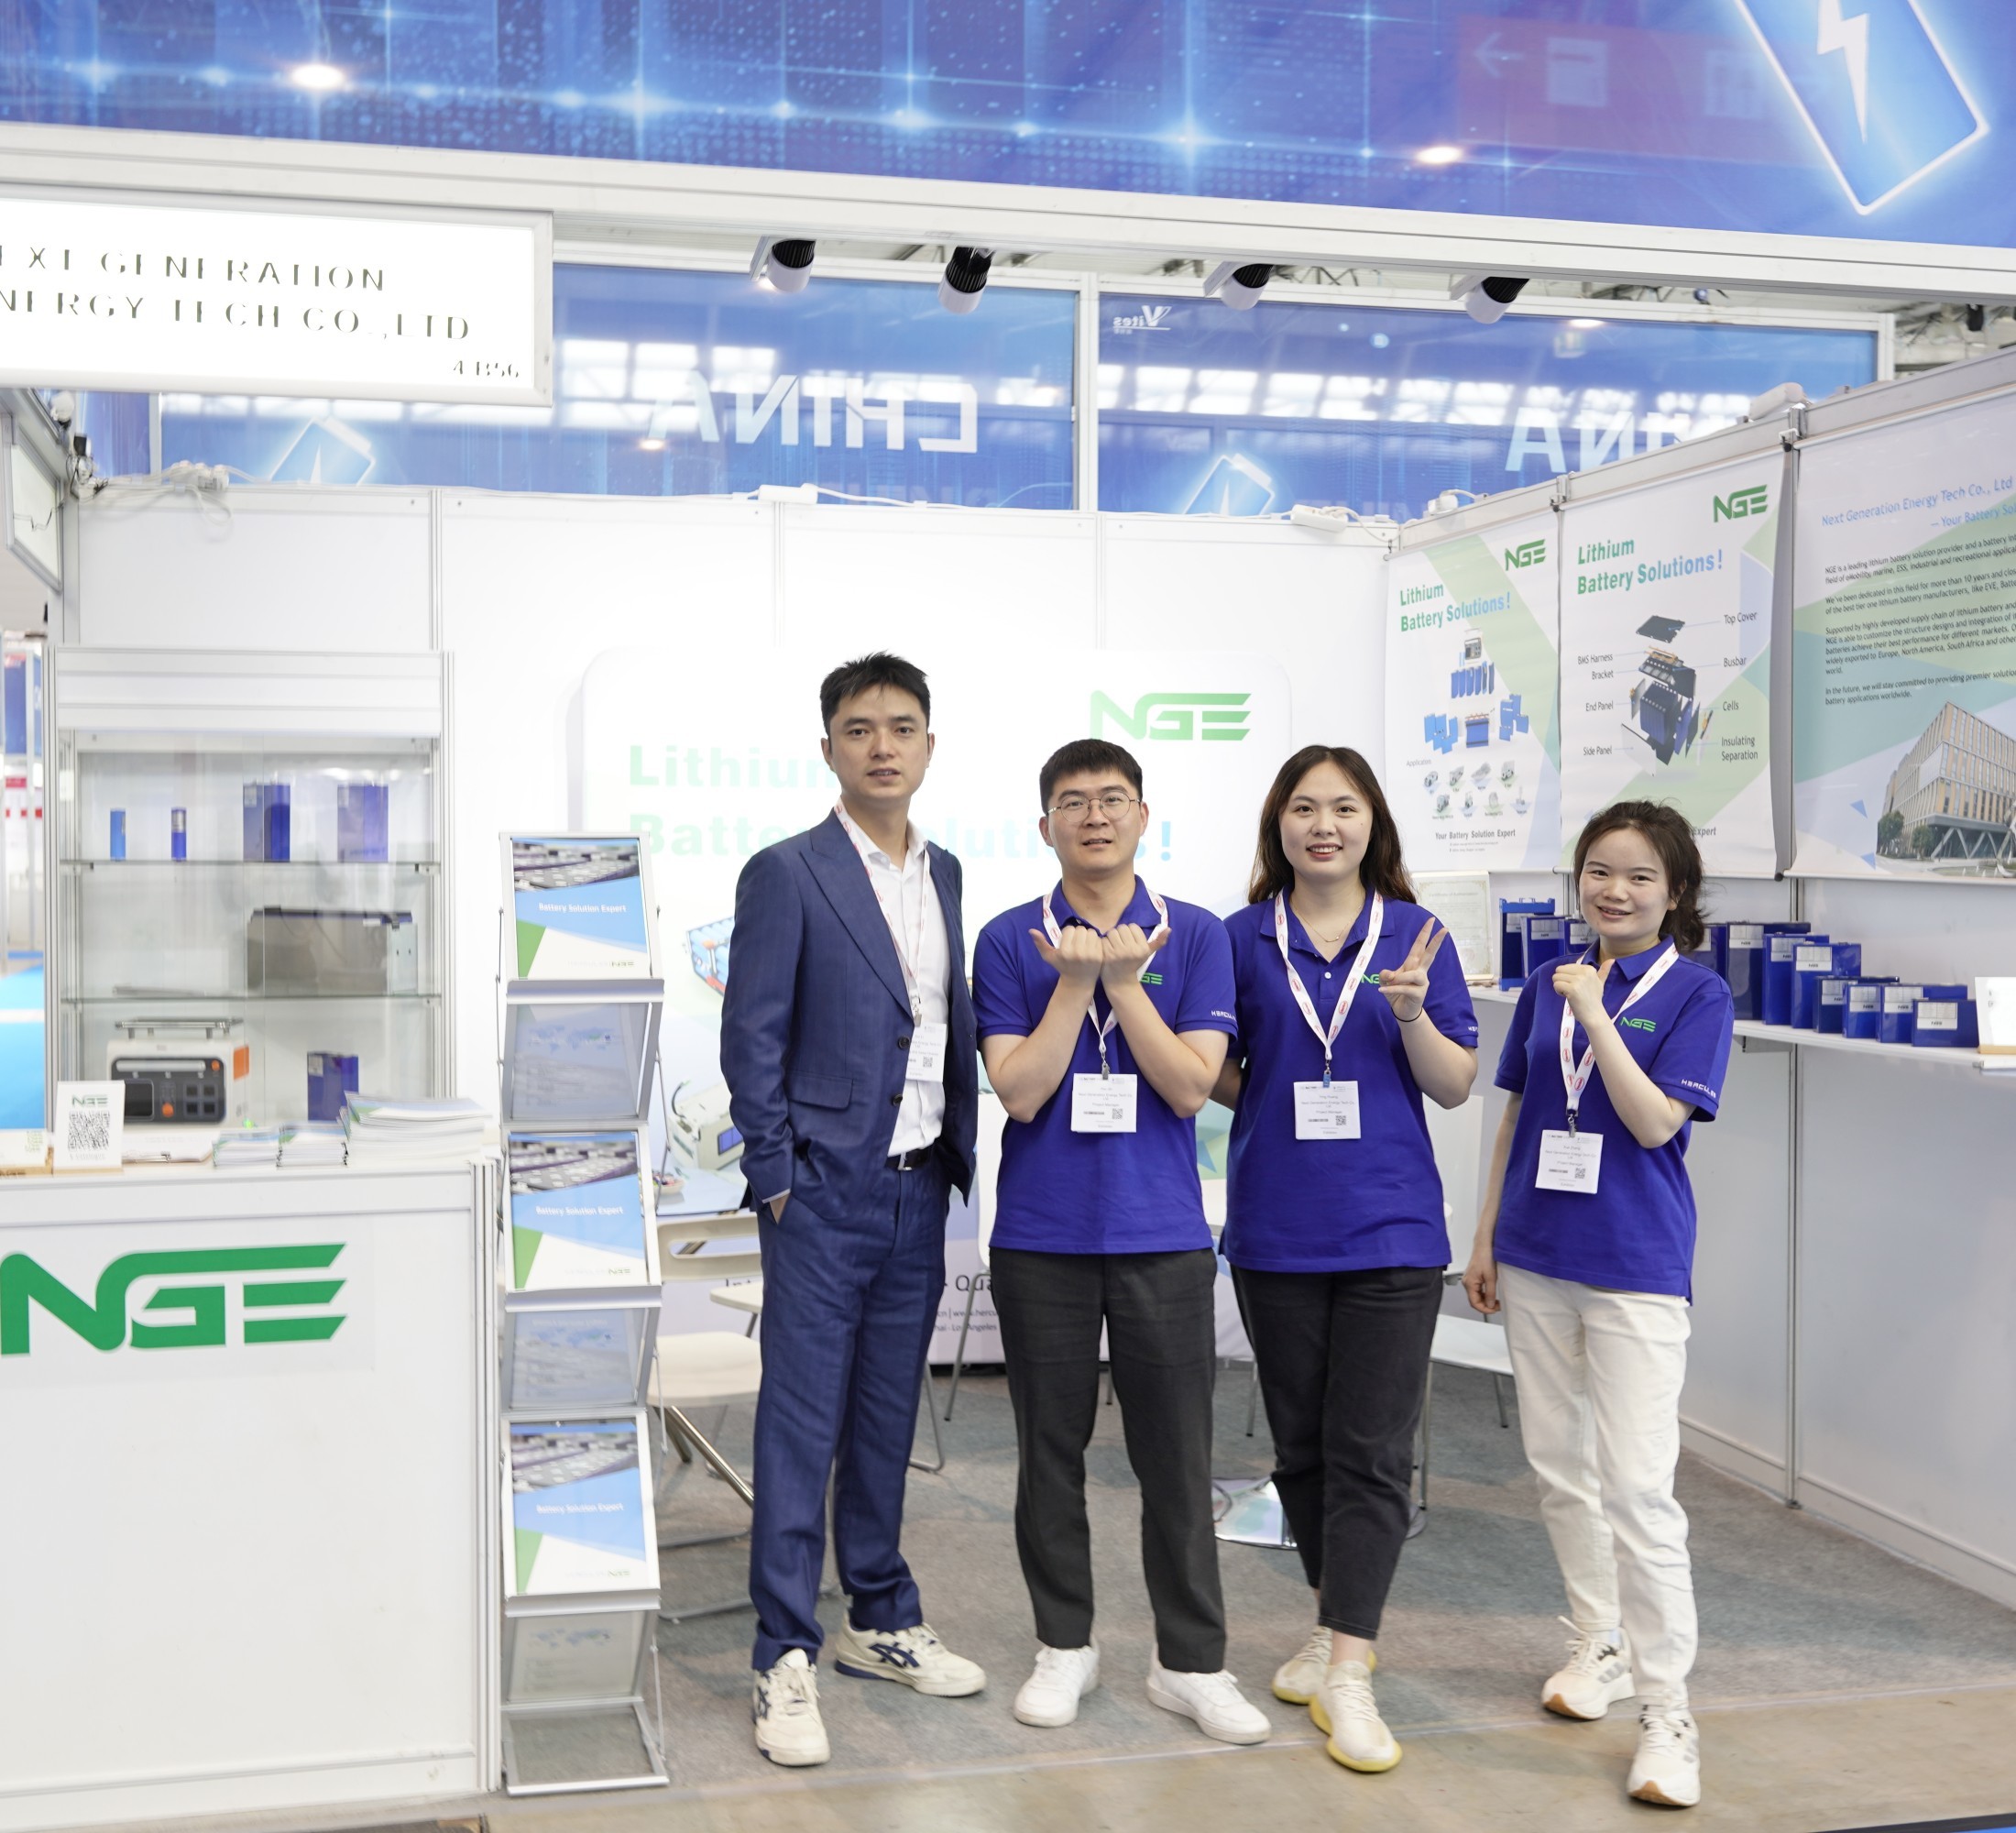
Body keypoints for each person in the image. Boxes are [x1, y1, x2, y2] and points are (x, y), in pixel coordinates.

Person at [970, 738, 1270, 1747]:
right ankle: (1065, 1644)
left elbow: (1189, 1087)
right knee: (1047, 1455)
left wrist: (1125, 982)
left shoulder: (1196, 935)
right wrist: (1071, 984)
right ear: (1045, 824)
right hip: (1041, 1236)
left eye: (1112, 799)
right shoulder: (1008, 938)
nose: (1093, 816)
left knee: (1176, 1459)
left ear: (1143, 815)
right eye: (1072, 801)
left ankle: (1191, 1661)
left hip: (1162, 1234)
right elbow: (1020, 1092)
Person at [718, 652, 984, 1767]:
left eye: (902, 726)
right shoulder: (787, 871)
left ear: (929, 745)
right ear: (828, 746)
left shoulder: (946, 871)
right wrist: (781, 1176)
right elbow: (751, 1038)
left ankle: (879, 1616)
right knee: (800, 1420)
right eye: (861, 727)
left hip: (920, 1184)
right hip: (823, 1193)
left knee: (884, 1414)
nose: (883, 745)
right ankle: (784, 1648)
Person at [1463, 800, 1734, 1810]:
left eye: (1638, 876)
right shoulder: (1549, 978)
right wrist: (1486, 1234)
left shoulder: (1698, 993)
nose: (1613, 891)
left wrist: (1595, 1016)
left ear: (1675, 893)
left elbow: (1656, 1120)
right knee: (1559, 1469)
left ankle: (1668, 1711)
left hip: (1634, 1265)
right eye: (1598, 871)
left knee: (1638, 1490)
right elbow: (1518, 1113)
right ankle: (1599, 1639)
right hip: (1536, 1253)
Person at [1213, 745, 1479, 1773]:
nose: (1323, 825)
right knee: (1302, 1450)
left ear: (1373, 824)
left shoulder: (1416, 933)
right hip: (1276, 1225)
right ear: (1277, 824)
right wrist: (1278, 1091)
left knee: (1371, 1450)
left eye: (1344, 807)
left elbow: (1453, 1083)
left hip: (1390, 1228)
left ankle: (1352, 1669)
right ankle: (1333, 1627)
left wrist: (1409, 1011)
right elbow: (1218, 1068)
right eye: (1304, 807)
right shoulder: (1240, 937)